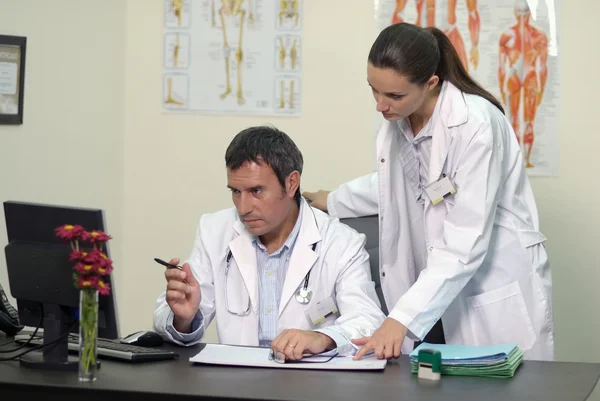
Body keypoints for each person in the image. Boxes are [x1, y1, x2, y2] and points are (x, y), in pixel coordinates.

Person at [304, 22, 554, 361]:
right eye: (374, 90)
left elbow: (464, 241)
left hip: (488, 281)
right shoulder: (400, 119)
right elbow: (398, 185)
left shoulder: (474, 126)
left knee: (499, 387)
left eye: (393, 95)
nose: (381, 105)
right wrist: (334, 199)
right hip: (432, 287)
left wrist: (401, 319)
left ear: (431, 83)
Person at [153, 125, 386, 360]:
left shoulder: (341, 242)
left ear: (291, 183)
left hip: (308, 386)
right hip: (236, 384)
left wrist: (323, 338)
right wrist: (184, 319)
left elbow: (368, 320)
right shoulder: (214, 231)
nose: (243, 208)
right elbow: (172, 318)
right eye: (235, 191)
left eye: (256, 191)